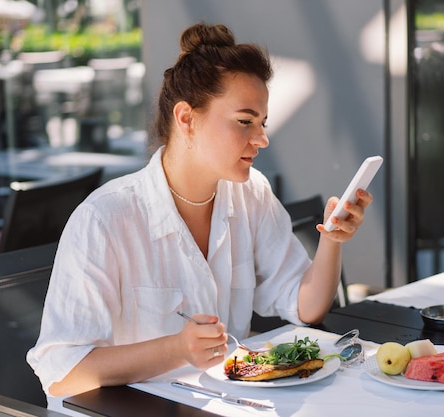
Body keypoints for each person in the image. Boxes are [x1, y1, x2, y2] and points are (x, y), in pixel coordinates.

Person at [27, 22, 373, 406]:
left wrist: (331, 240)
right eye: (244, 121)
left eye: (262, 123)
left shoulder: (250, 193)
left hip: (217, 403)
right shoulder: (105, 219)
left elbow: (305, 307)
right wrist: (175, 348)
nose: (261, 139)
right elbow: (60, 373)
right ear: (186, 118)